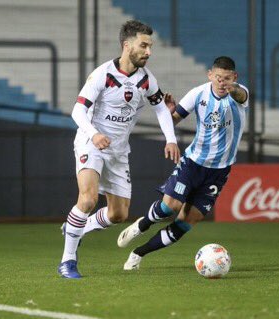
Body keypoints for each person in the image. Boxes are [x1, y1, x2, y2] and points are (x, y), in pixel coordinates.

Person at [58, 20, 181, 279]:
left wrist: (171, 139)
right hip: (90, 142)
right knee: (88, 199)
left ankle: (77, 228)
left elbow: (160, 107)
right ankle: (67, 261)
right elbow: (78, 110)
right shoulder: (102, 74)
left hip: (118, 151)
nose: (149, 51)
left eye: (150, 46)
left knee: (118, 214)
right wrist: (94, 134)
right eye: (144, 45)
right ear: (127, 46)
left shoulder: (147, 80)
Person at [116, 56, 249, 270]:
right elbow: (175, 119)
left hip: (219, 172)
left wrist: (232, 87)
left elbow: (241, 95)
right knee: (170, 207)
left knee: (186, 222)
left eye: (227, 78)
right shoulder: (198, 94)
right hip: (193, 163)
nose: (222, 82)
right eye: (218, 78)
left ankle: (138, 254)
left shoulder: (239, 94)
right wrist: (170, 113)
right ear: (210, 75)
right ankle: (141, 225)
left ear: (235, 77)